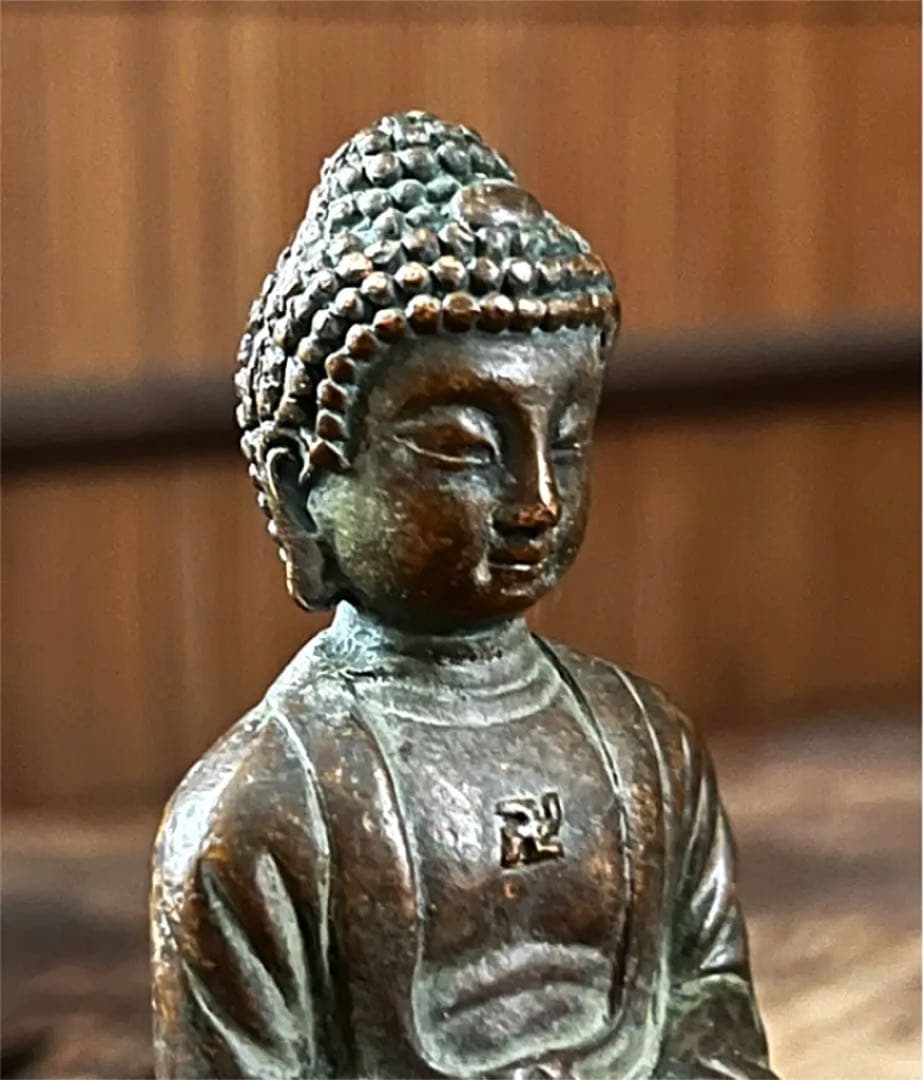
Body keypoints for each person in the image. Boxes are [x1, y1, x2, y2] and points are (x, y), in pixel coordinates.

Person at [151, 111, 774, 1079]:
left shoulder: (649, 749)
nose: (535, 499)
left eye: (566, 439)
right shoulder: (258, 815)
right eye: (462, 448)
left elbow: (708, 1004)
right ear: (301, 489)